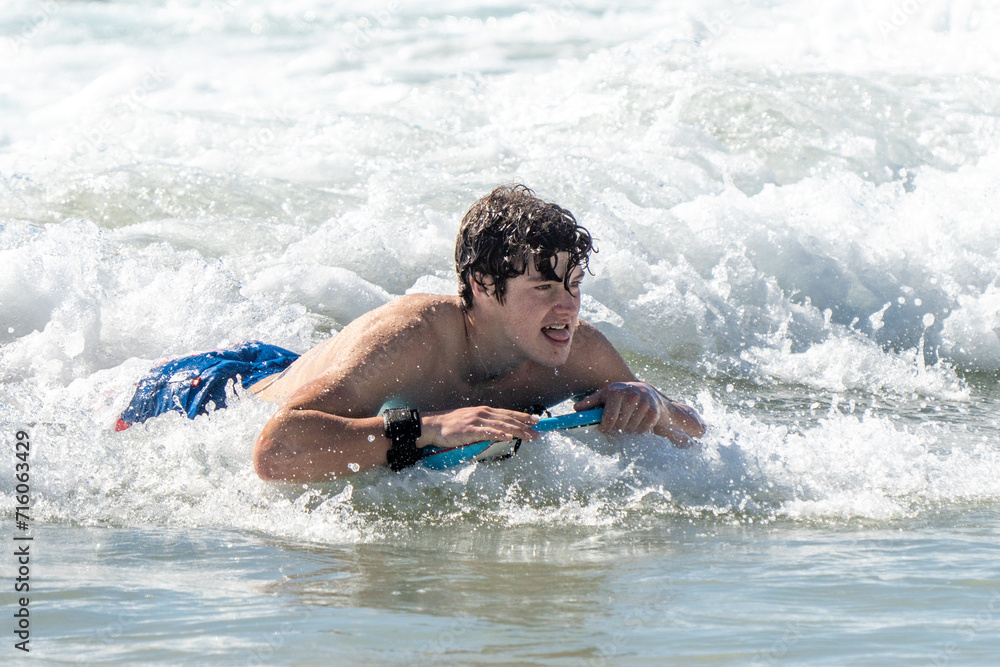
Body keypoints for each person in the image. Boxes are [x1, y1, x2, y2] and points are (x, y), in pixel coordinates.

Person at [248, 184, 705, 481]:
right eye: (543, 286)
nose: (568, 307)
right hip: (232, 385)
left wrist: (655, 406)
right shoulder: (411, 338)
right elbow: (275, 450)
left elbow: (698, 439)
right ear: (482, 285)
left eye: (574, 284)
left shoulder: (577, 347)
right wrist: (429, 429)